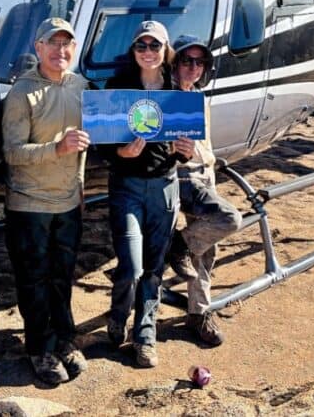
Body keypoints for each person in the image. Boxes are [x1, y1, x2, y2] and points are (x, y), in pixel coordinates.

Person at [2, 18, 91, 385]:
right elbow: (11, 152)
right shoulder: (22, 93)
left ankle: (64, 341)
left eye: (66, 44)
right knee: (34, 279)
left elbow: (86, 145)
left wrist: (81, 188)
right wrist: (56, 148)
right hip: (29, 205)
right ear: (38, 48)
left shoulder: (81, 87)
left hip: (68, 203)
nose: (60, 51)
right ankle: (39, 348)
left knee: (62, 277)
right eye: (52, 44)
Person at [104, 20, 195, 367]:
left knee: (154, 268)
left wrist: (185, 151)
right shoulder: (118, 88)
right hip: (126, 186)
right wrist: (120, 154)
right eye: (141, 45)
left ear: (165, 49)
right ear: (133, 50)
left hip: (164, 186)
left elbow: (184, 149)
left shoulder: (177, 91)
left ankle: (145, 334)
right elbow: (103, 145)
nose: (147, 52)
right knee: (131, 265)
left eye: (154, 46)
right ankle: (118, 313)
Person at [168, 35, 242, 346]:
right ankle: (177, 246)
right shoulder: (166, 97)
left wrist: (211, 166)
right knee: (229, 219)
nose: (194, 67)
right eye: (187, 61)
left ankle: (198, 312)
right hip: (183, 177)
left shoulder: (198, 96)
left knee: (207, 248)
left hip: (204, 174)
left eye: (200, 62)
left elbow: (204, 144)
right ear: (175, 64)